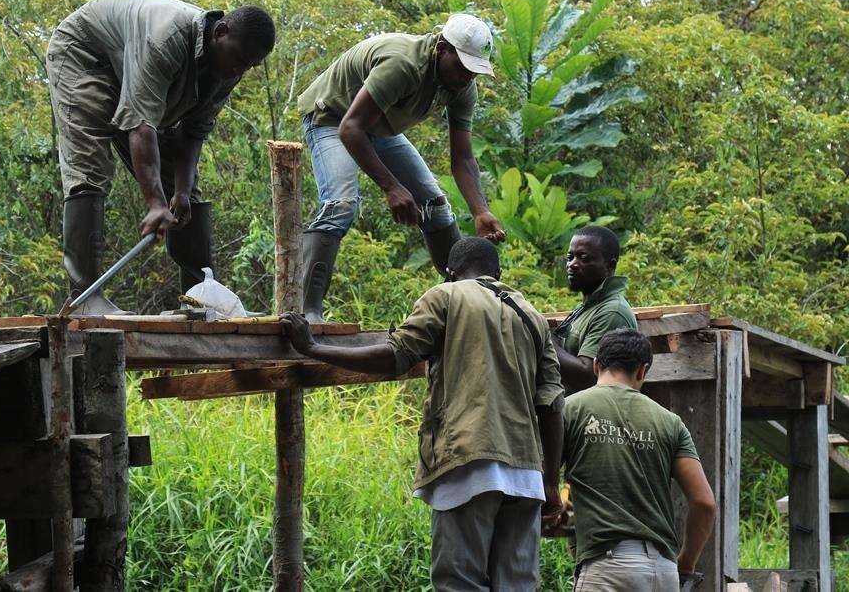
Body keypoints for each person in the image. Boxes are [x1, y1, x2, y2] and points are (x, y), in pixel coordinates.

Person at [280, 237, 564, 591]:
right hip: (526, 476)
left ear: (450, 272)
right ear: (498, 273)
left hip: (468, 462)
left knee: (459, 582)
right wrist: (551, 482)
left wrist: (313, 347)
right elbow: (552, 404)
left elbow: (394, 356)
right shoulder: (533, 316)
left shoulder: (445, 295)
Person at [47, 0, 276, 314]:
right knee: (90, 168)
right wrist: (155, 204)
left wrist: (179, 192)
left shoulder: (230, 68)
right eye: (239, 58)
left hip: (130, 65)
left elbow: (191, 134)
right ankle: (86, 298)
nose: (240, 69)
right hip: (85, 56)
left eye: (249, 65)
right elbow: (141, 125)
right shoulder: (165, 38)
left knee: (185, 194)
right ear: (220, 32)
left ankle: (201, 297)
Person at [296, 14, 506, 322]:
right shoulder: (404, 64)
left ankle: (465, 303)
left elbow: (462, 159)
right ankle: (308, 311)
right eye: (462, 66)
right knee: (341, 204)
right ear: (442, 48)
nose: (466, 76)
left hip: (379, 126)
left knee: (436, 205)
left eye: (474, 70)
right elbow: (350, 128)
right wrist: (392, 187)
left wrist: (480, 210)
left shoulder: (463, 87)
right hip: (333, 117)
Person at [563, 328, 716, 591]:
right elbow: (704, 503)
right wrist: (686, 563)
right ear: (643, 371)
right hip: (662, 570)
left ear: (597, 364)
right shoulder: (671, 423)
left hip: (607, 567)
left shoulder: (571, 409)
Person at [552, 226, 637, 391]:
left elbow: (587, 376)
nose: (572, 264)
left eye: (583, 258)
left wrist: (546, 342)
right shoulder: (589, 305)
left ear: (610, 265)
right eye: (570, 257)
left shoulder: (611, 312)